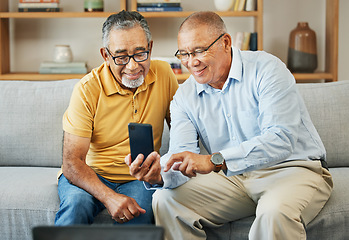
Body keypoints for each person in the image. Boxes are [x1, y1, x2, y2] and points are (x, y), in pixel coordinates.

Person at [126, 11, 333, 239]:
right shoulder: (185, 97)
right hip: (235, 179)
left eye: (199, 51)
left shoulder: (267, 69)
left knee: (274, 213)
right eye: (184, 53)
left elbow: (281, 138)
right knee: (165, 199)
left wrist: (215, 160)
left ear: (226, 42)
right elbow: (181, 155)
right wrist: (158, 174)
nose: (191, 62)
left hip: (291, 170)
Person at [55, 10, 178, 226]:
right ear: (105, 55)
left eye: (140, 54)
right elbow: (72, 163)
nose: (132, 66)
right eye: (121, 57)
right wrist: (109, 197)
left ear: (150, 48)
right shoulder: (87, 89)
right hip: (91, 174)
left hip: (138, 179)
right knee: (76, 205)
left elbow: (182, 133)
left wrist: (163, 167)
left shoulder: (164, 74)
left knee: (139, 215)